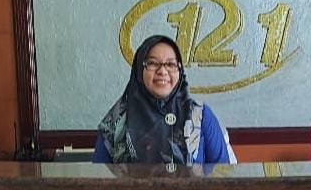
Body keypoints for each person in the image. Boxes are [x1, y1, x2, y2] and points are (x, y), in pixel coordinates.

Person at [92, 35, 236, 165]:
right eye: (153, 63)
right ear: (139, 69)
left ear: (180, 70)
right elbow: (97, 178)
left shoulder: (200, 116)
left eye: (171, 64)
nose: (162, 71)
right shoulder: (118, 119)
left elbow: (223, 174)